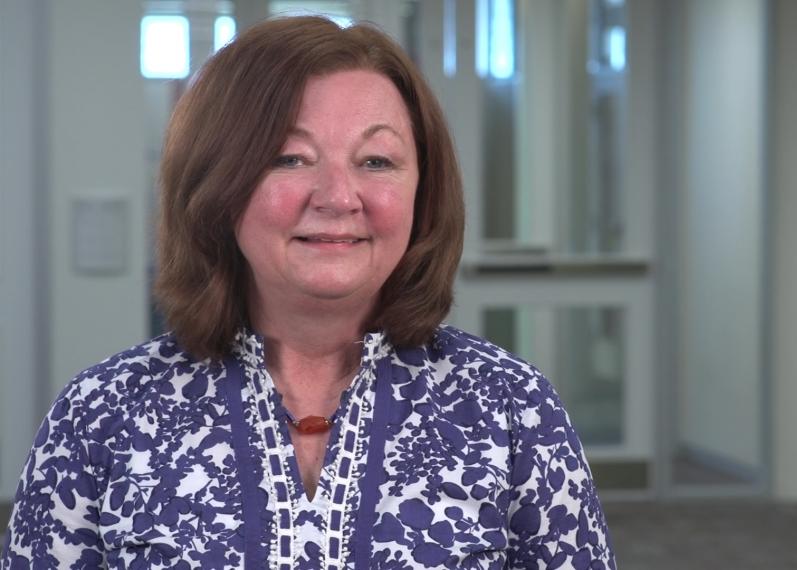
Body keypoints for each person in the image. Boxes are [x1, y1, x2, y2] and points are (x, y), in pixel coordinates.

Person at [1, 15, 616, 570]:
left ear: (421, 192)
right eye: (290, 158)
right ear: (217, 185)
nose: (337, 195)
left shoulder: (513, 409)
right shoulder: (101, 414)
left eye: (376, 161)